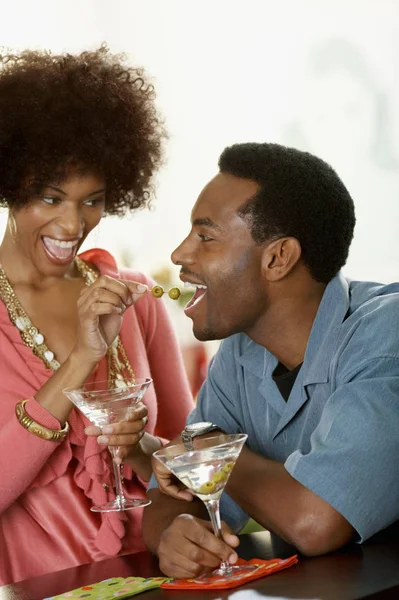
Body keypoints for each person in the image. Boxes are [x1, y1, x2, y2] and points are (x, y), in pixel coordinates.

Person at [142, 142, 399, 579]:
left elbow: (316, 522)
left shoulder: (385, 335)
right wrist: (178, 533)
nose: (180, 255)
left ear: (278, 258)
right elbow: (172, 493)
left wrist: (211, 449)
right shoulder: (238, 355)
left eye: (205, 237)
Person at [0, 46, 193, 585]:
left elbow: (185, 466)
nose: (72, 223)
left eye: (93, 200)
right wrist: (84, 357)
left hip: (154, 581)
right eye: (49, 197)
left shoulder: (134, 298)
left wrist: (139, 450)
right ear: (10, 185)